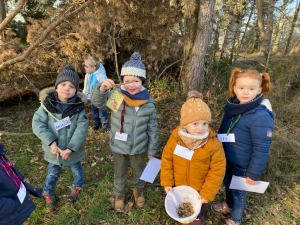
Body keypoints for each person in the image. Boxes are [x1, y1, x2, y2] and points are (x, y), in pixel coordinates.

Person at [91, 52, 159, 212]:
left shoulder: (148, 103)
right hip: (120, 145)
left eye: (135, 81)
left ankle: (138, 188)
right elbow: (99, 103)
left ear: (142, 81)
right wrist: (101, 89)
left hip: (139, 146)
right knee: (119, 170)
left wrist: (152, 149)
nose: (131, 85)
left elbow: (152, 128)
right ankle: (119, 192)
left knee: (138, 169)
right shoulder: (118, 96)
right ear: (122, 82)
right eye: (127, 81)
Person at [211, 68, 274, 225]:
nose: (245, 92)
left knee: (238, 192)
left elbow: (261, 148)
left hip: (243, 165)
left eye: (251, 89)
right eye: (241, 88)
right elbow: (224, 130)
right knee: (228, 185)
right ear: (234, 88)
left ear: (259, 90)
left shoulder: (261, 116)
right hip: (227, 158)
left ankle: (235, 219)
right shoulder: (232, 107)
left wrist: (253, 173)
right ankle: (228, 205)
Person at [160, 90, 226, 225]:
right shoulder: (175, 139)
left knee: (196, 217)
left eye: (205, 123)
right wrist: (167, 182)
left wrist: (207, 193)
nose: (201, 128)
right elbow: (167, 160)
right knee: (183, 213)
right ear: (184, 125)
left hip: (199, 192)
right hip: (179, 189)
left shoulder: (213, 144)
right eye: (195, 124)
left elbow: (217, 170)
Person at [32, 65, 89, 207]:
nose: (67, 88)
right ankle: (48, 191)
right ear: (56, 87)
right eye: (63, 84)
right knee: (52, 172)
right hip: (55, 151)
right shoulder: (46, 105)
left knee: (76, 169)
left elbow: (81, 129)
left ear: (76, 90)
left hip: (72, 150)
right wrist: (51, 143)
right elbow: (37, 124)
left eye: (71, 86)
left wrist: (71, 148)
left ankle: (77, 186)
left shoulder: (79, 108)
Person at [0, 144, 42, 225]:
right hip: (10, 216)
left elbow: (12, 174)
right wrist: (14, 204)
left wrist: (29, 189)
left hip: (18, 210)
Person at [82, 54, 110, 132]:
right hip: (93, 98)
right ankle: (97, 123)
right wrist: (85, 95)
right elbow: (86, 87)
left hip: (100, 99)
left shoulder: (100, 75)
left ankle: (105, 125)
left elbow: (105, 86)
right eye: (85, 66)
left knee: (102, 112)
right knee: (94, 111)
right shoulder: (88, 75)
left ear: (94, 67)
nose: (85, 68)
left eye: (86, 66)